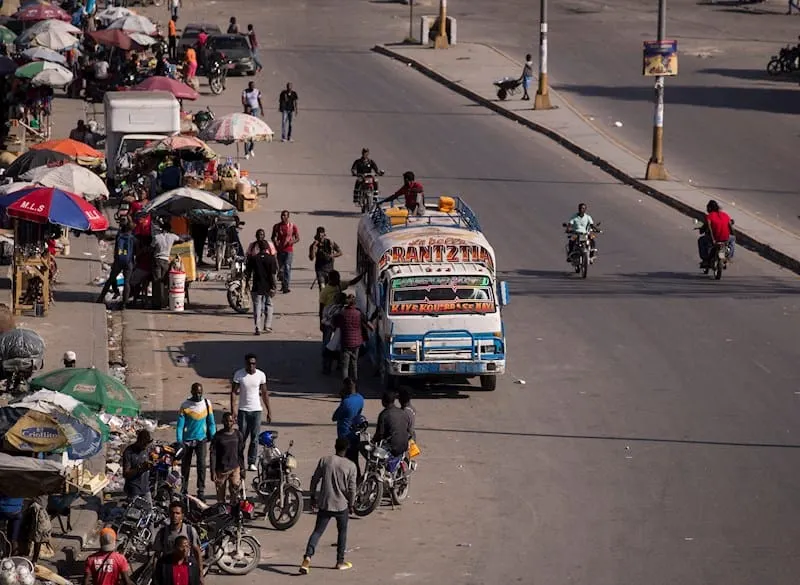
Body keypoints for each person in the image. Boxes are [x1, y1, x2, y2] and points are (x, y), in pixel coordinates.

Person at [298, 438, 356, 574]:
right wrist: (352, 504)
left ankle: (307, 557)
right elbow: (352, 489)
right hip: (341, 505)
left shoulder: (325, 460)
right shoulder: (351, 466)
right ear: (346, 449)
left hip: (325, 503)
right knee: (342, 533)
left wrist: (312, 496)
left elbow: (315, 479)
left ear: (335, 446)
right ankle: (340, 561)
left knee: (317, 532)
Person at [231, 353, 271, 471]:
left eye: (253, 363)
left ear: (256, 364)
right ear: (245, 363)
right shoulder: (239, 375)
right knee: (242, 437)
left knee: (255, 438)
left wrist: (269, 410)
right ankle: (239, 461)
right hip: (243, 410)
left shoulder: (261, 375)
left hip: (256, 410)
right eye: (249, 363)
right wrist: (233, 410)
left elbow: (264, 393)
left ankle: (251, 462)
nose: (251, 366)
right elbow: (233, 392)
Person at [176, 383, 216, 501]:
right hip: (187, 441)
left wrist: (213, 438)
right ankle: (184, 489)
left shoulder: (207, 404)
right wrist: (179, 441)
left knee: (201, 466)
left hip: (201, 440)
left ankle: (201, 491)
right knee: (185, 466)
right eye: (196, 392)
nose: (198, 395)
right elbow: (179, 426)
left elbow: (211, 423)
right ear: (191, 392)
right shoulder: (185, 406)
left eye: (200, 392)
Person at [152, 502, 202, 573]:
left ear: (182, 515)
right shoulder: (163, 532)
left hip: (186, 570)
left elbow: (197, 552)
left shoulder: (190, 531)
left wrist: (200, 574)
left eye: (177, 513)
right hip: (169, 570)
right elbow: (157, 555)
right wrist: (155, 573)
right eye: (172, 513)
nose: (174, 515)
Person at [97, 222, 135, 307]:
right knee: (127, 282)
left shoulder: (119, 237)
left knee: (111, 279)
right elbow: (136, 251)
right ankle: (124, 303)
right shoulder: (133, 239)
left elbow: (116, 250)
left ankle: (101, 297)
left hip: (118, 261)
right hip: (128, 263)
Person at [210, 411, 244, 504]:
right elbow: (213, 454)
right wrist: (213, 471)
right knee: (221, 498)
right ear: (222, 421)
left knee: (235, 492)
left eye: (230, 421)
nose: (228, 423)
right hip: (221, 470)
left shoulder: (238, 435)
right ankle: (222, 513)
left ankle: (233, 513)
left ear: (233, 422)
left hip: (235, 468)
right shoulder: (218, 436)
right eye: (226, 421)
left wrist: (242, 468)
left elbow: (240, 453)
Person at [151, 220, 187, 309]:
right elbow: (181, 240)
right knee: (164, 282)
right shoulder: (172, 236)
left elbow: (151, 247)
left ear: (162, 229)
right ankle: (164, 302)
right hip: (166, 261)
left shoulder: (157, 237)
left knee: (156, 282)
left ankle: (156, 303)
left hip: (157, 260)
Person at [332, 378, 364, 477]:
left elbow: (335, 417)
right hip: (355, 433)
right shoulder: (360, 398)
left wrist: (343, 399)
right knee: (355, 459)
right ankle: (357, 479)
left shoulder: (346, 402)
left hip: (344, 434)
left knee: (341, 460)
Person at [245, 239, 278, 335]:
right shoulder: (271, 259)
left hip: (257, 286)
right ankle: (267, 326)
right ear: (267, 248)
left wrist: (247, 283)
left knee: (257, 306)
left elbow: (248, 273)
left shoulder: (254, 259)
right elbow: (272, 274)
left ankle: (257, 327)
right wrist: (274, 286)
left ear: (258, 248)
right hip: (268, 286)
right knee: (269, 305)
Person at [333, 294, 366, 382]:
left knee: (345, 366)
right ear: (355, 304)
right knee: (354, 364)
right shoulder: (359, 313)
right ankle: (355, 383)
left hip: (346, 342)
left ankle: (346, 385)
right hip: (357, 342)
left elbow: (335, 324)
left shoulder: (342, 313)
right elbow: (366, 324)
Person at [698, 199, 735, 268]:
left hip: (714, 239)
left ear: (709, 208)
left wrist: (713, 240)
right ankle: (729, 256)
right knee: (732, 239)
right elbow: (731, 228)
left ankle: (705, 259)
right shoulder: (725, 215)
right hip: (725, 239)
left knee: (701, 240)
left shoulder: (709, 216)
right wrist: (733, 235)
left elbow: (708, 228)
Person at [373, 391, 412, 457]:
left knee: (373, 452)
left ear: (384, 401)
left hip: (392, 447)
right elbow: (408, 430)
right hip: (405, 445)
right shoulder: (403, 412)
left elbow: (380, 434)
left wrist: (373, 441)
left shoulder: (383, 414)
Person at [271, 210, 300, 293]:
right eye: (282, 215)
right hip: (279, 250)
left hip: (289, 250)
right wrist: (275, 241)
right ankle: (283, 284)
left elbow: (297, 238)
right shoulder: (277, 226)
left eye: (285, 215)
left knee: (287, 267)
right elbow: (273, 237)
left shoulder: (292, 226)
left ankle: (286, 286)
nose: (283, 217)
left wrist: (292, 241)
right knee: (281, 269)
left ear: (288, 217)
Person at [122, 430, 153, 503]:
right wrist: (140, 468)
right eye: (143, 444)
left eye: (147, 444)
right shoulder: (129, 452)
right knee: (135, 512)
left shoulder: (147, 450)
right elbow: (126, 474)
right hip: (134, 489)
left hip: (145, 488)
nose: (145, 447)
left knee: (149, 512)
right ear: (139, 441)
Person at [241, 81, 263, 159]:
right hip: (248, 110)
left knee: (253, 135)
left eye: (253, 86)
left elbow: (259, 100)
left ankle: (251, 149)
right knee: (247, 137)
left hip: (255, 109)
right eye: (251, 86)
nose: (252, 87)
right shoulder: (245, 91)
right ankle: (246, 153)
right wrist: (246, 106)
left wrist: (262, 109)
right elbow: (243, 100)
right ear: (249, 86)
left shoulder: (257, 91)